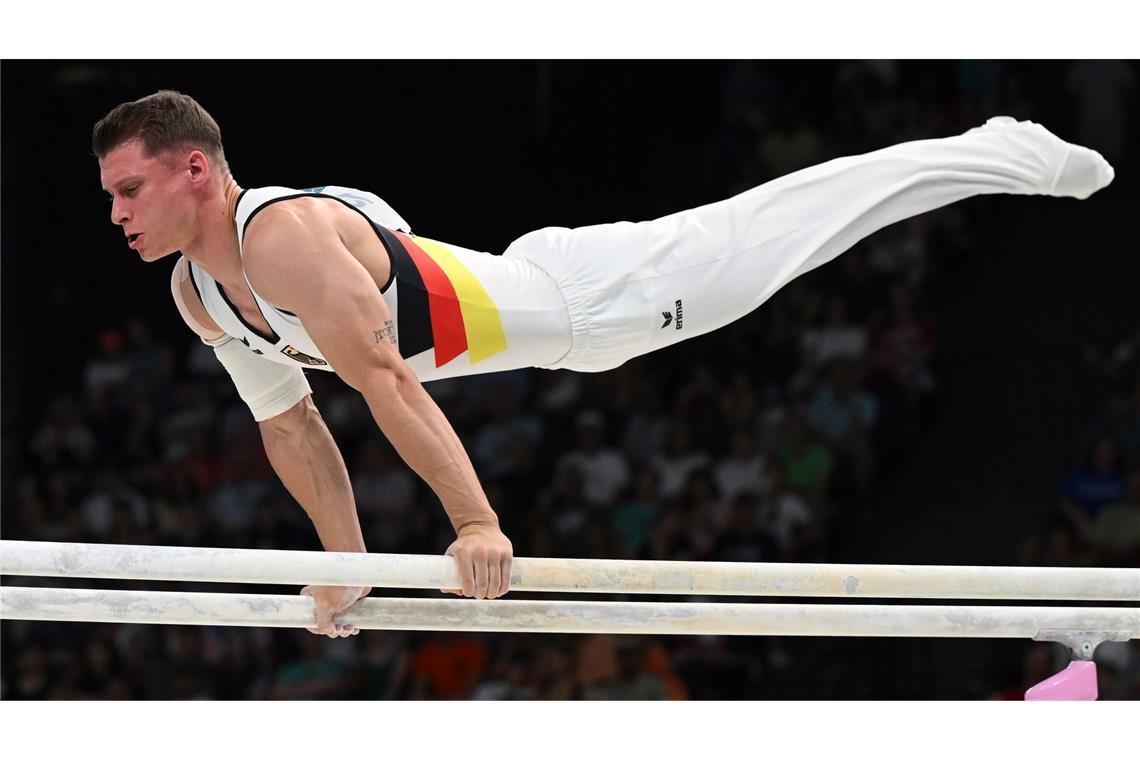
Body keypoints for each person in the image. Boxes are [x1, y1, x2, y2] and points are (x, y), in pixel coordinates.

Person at [93, 90, 1115, 637]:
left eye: (131, 190)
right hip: (548, 309)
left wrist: (477, 522)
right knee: (792, 234)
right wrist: (345, 572)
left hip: (595, 301)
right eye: (108, 198)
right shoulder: (198, 294)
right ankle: (989, 150)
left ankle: (997, 147)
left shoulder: (284, 238)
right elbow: (291, 424)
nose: (117, 216)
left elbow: (387, 382)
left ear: (197, 168)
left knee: (794, 226)